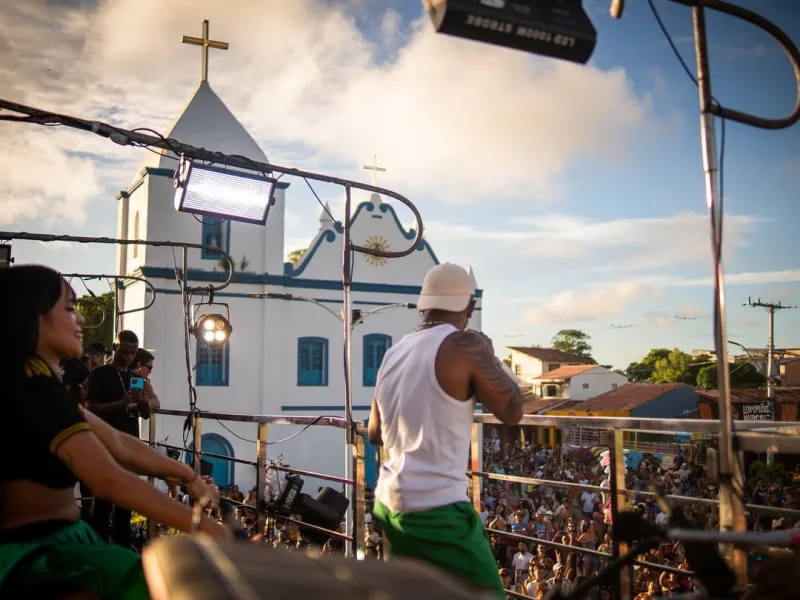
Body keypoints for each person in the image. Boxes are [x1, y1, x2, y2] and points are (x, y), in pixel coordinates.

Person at [0, 265, 230, 599]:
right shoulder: (37, 392)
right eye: (69, 308)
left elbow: (119, 444)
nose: (80, 319)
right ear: (33, 316)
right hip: (41, 555)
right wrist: (208, 528)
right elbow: (109, 479)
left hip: (60, 540)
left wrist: (186, 474)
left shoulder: (32, 383)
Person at [368, 263, 540, 598]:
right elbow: (512, 411)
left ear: (423, 305)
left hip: (388, 503)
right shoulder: (465, 346)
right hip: (436, 509)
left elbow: (375, 432)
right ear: (470, 307)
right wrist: (487, 355)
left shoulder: (394, 352)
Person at [86, 329, 154, 546]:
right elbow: (91, 408)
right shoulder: (100, 374)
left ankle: (122, 546)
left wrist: (143, 402)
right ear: (116, 348)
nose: (128, 357)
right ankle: (100, 546)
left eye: (133, 353)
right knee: (104, 499)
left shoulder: (136, 379)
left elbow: (146, 414)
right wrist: (120, 404)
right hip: (105, 443)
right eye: (124, 351)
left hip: (130, 443)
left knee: (127, 499)